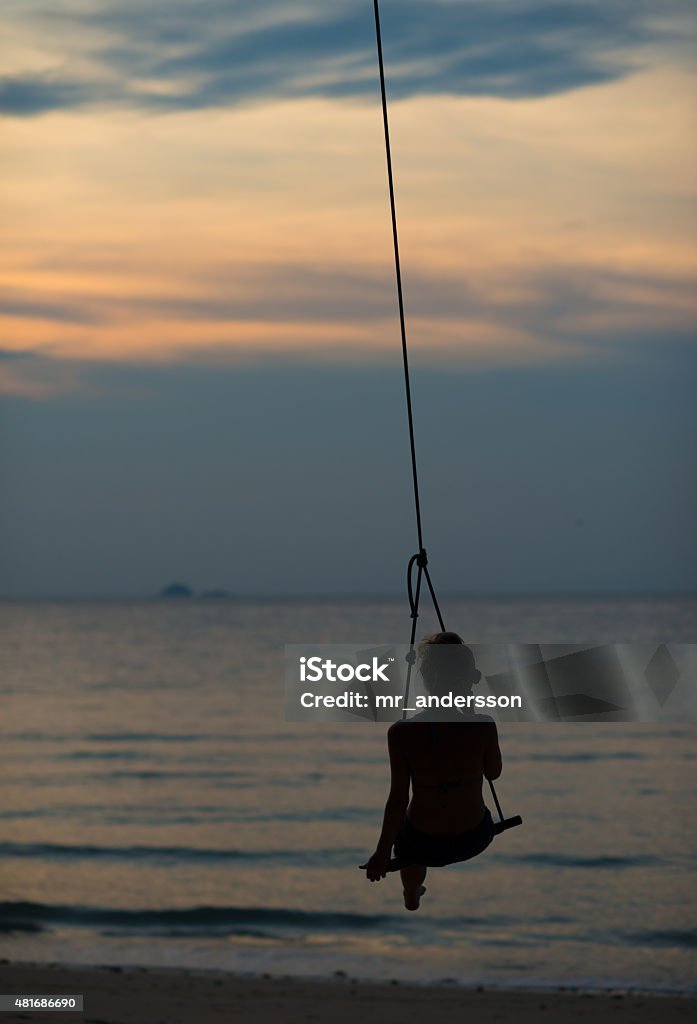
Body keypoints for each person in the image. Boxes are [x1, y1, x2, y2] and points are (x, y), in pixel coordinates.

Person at [360, 632, 502, 911]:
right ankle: (413, 887)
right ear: (469, 679)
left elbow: (398, 801)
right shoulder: (484, 726)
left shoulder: (401, 733)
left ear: (424, 679)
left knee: (408, 842)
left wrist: (381, 852)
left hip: (423, 844)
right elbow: (493, 773)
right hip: (474, 837)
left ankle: (411, 889)